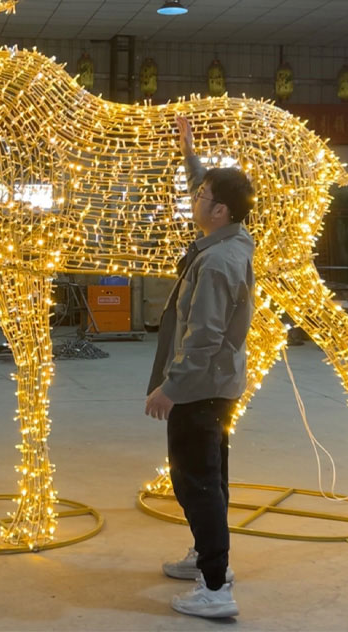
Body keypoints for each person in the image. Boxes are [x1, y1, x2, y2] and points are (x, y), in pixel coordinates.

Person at [145, 115, 255, 619]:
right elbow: (212, 188)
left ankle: (215, 586)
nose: (194, 199)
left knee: (197, 483)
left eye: (200, 196)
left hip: (200, 389)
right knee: (209, 476)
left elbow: (205, 337)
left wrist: (171, 387)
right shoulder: (231, 239)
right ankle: (207, 558)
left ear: (220, 210)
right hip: (217, 385)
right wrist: (189, 152)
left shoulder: (215, 264)